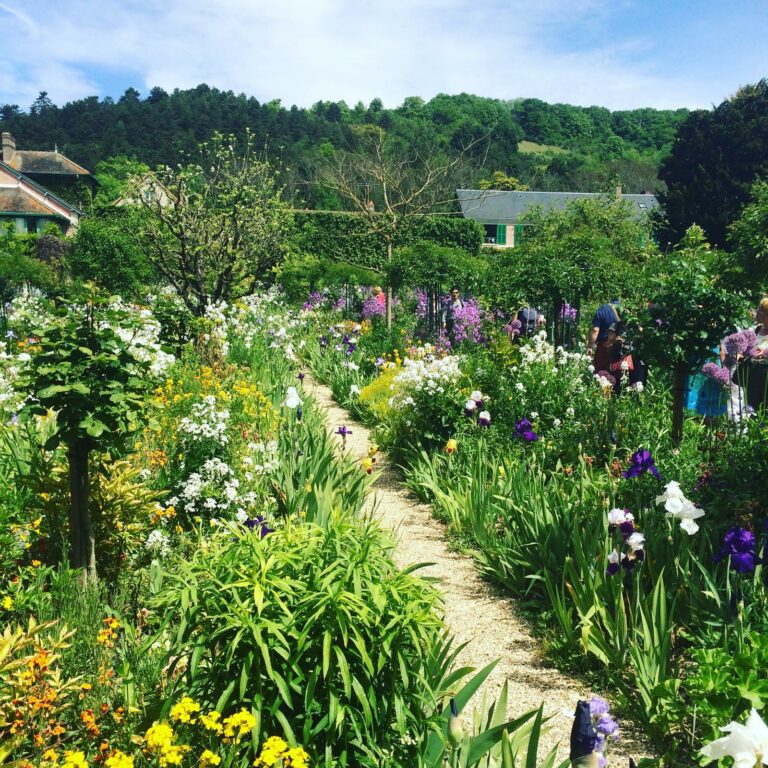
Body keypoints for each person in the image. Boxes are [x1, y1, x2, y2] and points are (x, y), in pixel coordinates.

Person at [587, 299, 622, 373]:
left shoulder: (603, 309)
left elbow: (595, 330)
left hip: (604, 347)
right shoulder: (624, 310)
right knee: (617, 373)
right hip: (620, 348)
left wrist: (590, 347)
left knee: (600, 374)